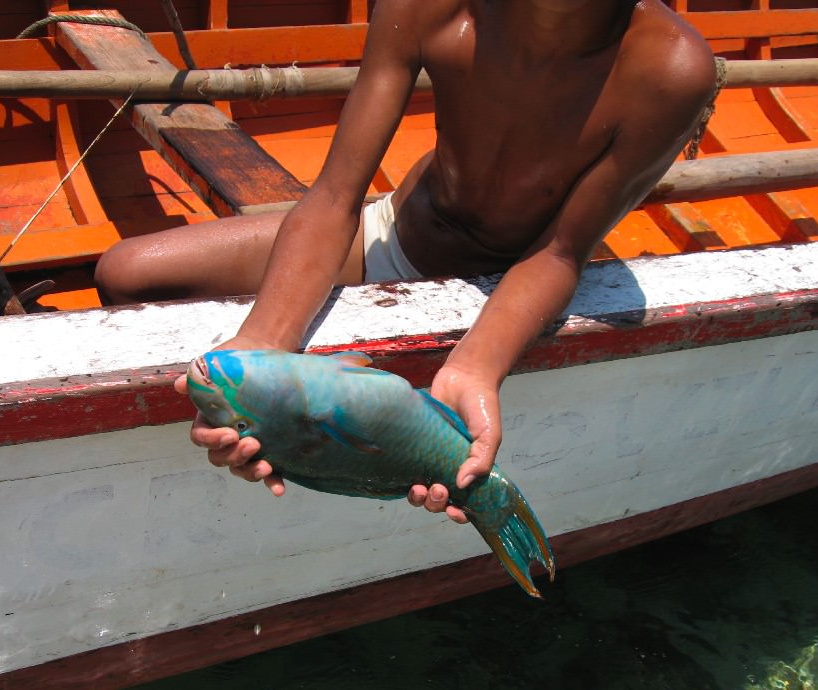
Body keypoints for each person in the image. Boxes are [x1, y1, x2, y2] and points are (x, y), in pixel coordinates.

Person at [96, 0, 717, 524]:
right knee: (127, 273)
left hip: (517, 276)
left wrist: (476, 368)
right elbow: (336, 197)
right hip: (395, 230)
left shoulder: (670, 68)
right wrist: (260, 349)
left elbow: (558, 251)